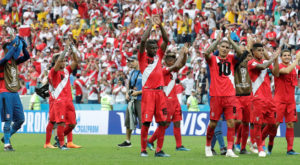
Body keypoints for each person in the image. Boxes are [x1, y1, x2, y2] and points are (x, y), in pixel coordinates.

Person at [203, 31, 245, 158]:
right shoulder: (212, 59)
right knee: (213, 123)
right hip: (216, 96)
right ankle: (208, 146)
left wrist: (231, 41)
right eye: (223, 47)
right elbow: (206, 53)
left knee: (231, 123)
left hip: (230, 96)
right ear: (218, 48)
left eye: (227, 48)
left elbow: (241, 53)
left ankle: (230, 149)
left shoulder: (232, 59)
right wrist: (217, 40)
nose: (225, 49)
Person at [147, 46, 190, 151]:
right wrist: (181, 52)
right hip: (166, 101)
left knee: (177, 122)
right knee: (165, 124)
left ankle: (179, 145)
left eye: (173, 59)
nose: (172, 61)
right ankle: (150, 141)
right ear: (165, 61)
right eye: (170, 59)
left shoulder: (173, 70)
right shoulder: (163, 70)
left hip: (175, 100)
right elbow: (177, 64)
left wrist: (184, 54)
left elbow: (182, 64)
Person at [138, 15, 169, 157]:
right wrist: (150, 25)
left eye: (156, 47)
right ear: (147, 49)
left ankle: (159, 150)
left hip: (160, 93)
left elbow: (166, 40)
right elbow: (143, 40)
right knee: (146, 123)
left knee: (162, 122)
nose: (155, 49)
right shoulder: (142, 57)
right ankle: (143, 150)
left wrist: (160, 25)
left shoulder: (159, 56)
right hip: (148, 93)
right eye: (153, 47)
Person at [247, 43, 280, 157]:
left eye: (262, 50)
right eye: (259, 50)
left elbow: (276, 73)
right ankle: (260, 147)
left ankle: (256, 141)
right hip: (257, 98)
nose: (261, 52)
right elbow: (262, 67)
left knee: (272, 124)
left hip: (269, 99)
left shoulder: (266, 62)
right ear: (253, 52)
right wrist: (272, 58)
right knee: (257, 124)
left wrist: (275, 61)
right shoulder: (251, 63)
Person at [48, 38, 79, 150]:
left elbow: (76, 61)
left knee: (72, 124)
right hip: (59, 101)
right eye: (61, 60)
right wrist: (65, 48)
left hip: (69, 101)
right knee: (61, 123)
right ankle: (61, 143)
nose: (64, 62)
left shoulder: (66, 71)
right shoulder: (53, 71)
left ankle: (58, 138)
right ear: (57, 62)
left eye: (64, 60)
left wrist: (73, 48)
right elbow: (58, 62)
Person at [0, 37, 30, 151]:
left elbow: (27, 57)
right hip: (4, 93)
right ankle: (7, 144)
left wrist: (24, 46)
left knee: (20, 119)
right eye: (9, 46)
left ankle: (6, 137)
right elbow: (7, 56)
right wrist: (15, 46)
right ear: (6, 49)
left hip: (14, 93)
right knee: (8, 119)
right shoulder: (2, 62)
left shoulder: (13, 62)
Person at [273, 49, 300, 155]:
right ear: (281, 57)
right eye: (285, 55)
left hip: (291, 101)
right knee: (275, 124)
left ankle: (290, 149)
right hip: (279, 101)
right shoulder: (279, 66)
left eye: (289, 55)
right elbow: (286, 71)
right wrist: (296, 60)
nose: (287, 57)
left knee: (290, 124)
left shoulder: (296, 68)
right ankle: (263, 144)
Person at [118, 55, 142, 147]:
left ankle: (144, 143)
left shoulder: (145, 72)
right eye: (129, 61)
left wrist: (139, 92)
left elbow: (149, 87)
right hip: (132, 100)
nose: (130, 63)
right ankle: (128, 141)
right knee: (129, 120)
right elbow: (128, 84)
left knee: (143, 122)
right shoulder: (132, 72)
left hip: (141, 100)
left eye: (132, 61)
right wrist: (127, 93)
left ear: (137, 61)